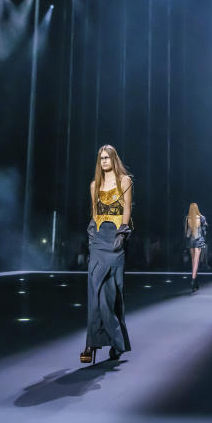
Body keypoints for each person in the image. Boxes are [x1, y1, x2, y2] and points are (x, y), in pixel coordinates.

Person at [81, 145, 132, 364]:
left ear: (114, 159)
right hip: (98, 240)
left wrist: (123, 233)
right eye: (100, 158)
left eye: (107, 157)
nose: (103, 161)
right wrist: (92, 236)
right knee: (94, 292)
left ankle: (116, 343)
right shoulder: (94, 185)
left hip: (115, 240)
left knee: (111, 294)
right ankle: (91, 344)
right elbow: (94, 212)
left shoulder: (125, 181)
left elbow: (127, 209)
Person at [184, 203, 208, 293]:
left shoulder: (187, 218)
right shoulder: (202, 218)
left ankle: (195, 281)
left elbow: (186, 232)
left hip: (191, 240)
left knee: (193, 261)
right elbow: (204, 232)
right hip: (198, 240)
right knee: (196, 262)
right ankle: (193, 281)